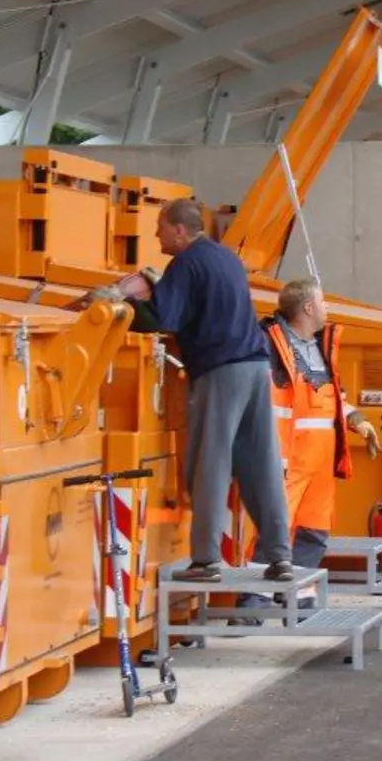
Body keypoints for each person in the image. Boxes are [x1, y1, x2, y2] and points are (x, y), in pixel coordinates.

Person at [99, 198, 294, 583]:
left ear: (178, 229)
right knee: (261, 463)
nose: (156, 235)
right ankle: (280, 557)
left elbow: (163, 318)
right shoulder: (227, 259)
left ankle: (205, 560)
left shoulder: (185, 264)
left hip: (221, 371)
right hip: (257, 367)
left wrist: (117, 303)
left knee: (211, 461)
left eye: (159, 227)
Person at [230, 279, 382, 622]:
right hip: (285, 459)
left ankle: (301, 600)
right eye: (323, 302)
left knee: (314, 530)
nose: (328, 308)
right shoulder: (267, 343)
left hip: (319, 462)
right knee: (274, 530)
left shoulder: (320, 346)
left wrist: (359, 421)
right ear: (308, 308)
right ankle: (251, 606)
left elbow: (334, 399)